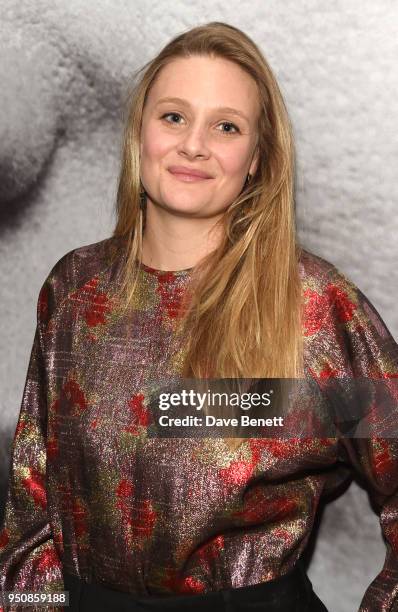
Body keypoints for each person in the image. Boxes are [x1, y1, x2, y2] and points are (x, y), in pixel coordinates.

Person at [0, 21, 397, 612]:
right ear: (139, 133)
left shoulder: (315, 306)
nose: (194, 145)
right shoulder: (74, 289)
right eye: (174, 116)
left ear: (257, 158)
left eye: (227, 126)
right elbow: (32, 509)